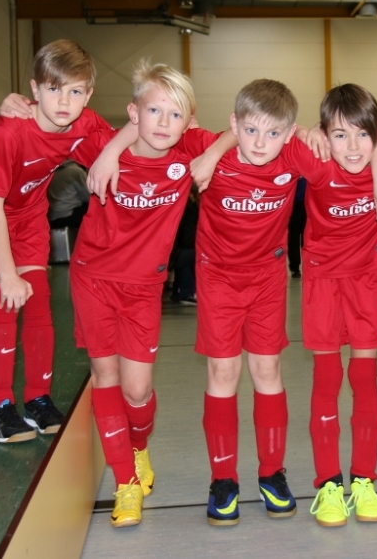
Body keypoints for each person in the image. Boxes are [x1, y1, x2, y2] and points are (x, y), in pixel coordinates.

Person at [92, 78, 305, 526]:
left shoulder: (294, 154)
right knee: (223, 372)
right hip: (219, 280)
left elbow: (351, 146)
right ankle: (223, 479)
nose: (260, 143)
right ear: (234, 124)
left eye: (273, 133)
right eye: (250, 131)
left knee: (268, 370)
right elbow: (149, 125)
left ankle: (272, 473)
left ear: (289, 133)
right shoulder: (206, 146)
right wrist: (111, 151)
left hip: (267, 280)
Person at [0, 39, 112, 444]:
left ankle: (37, 399)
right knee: (7, 298)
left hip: (27, 211)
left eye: (75, 91)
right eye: (54, 89)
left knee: (38, 298)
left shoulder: (84, 123)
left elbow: (123, 145)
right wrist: (7, 274)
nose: (64, 101)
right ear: (35, 89)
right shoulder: (8, 133)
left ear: (88, 95)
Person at [68, 60, 204, 527]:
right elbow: (52, 114)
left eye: (176, 114)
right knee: (105, 376)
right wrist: (15, 106)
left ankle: (138, 447)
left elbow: (243, 134)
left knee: (138, 388)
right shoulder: (99, 145)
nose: (164, 123)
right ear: (133, 112)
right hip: (93, 279)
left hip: (143, 288)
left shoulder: (187, 153)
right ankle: (125, 482)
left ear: (189, 122)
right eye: (154, 111)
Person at [297, 84, 377, 527]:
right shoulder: (314, 160)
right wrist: (304, 130)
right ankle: (329, 483)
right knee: (327, 379)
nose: (353, 147)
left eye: (362, 134)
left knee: (365, 379)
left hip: (368, 281)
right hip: (322, 282)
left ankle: (365, 479)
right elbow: (266, 129)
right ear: (325, 136)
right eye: (339, 135)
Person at [46, 160, 90, 229]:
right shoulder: (76, 171)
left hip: (51, 217)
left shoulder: (52, 172)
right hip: (68, 215)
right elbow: (88, 196)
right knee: (96, 208)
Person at [286, 178, 306, 278]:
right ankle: (295, 268)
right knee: (293, 237)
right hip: (293, 205)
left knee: (307, 237)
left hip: (309, 205)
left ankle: (308, 265)